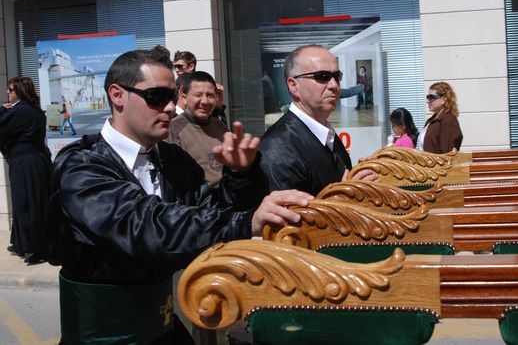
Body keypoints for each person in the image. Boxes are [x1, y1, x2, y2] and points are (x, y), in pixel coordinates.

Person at [48, 49, 311, 344]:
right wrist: (247, 221)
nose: (171, 108)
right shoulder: (81, 167)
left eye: (173, 96)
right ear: (117, 95)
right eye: (157, 97)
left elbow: (210, 213)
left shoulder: (172, 160)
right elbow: (147, 227)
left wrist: (239, 176)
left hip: (163, 327)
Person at [258, 44, 376, 196]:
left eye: (337, 76)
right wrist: (347, 195)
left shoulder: (325, 135)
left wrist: (358, 179)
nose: (334, 85)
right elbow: (291, 218)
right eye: (322, 77)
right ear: (293, 85)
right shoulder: (276, 150)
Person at [0, 77, 51, 265]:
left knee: (27, 205)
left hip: (25, 165)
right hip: (36, 162)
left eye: (10, 90)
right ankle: (24, 242)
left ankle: (37, 248)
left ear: (19, 92)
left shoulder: (20, 112)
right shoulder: (35, 111)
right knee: (34, 204)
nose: (8, 93)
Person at [167, 71, 228, 188]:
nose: (204, 101)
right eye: (198, 95)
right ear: (184, 96)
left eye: (210, 95)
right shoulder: (173, 130)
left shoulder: (220, 126)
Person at [417, 81, 463, 154]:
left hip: (438, 165)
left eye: (431, 97)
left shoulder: (448, 120)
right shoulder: (431, 120)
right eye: (427, 97)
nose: (428, 101)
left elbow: (448, 153)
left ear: (444, 99)